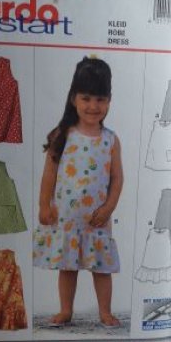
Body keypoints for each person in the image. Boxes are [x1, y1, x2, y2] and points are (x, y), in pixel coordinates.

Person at [33, 57, 124, 328]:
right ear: (74, 98)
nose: (93, 106)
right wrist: (44, 206)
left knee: (102, 269)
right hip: (66, 220)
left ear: (109, 101)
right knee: (67, 268)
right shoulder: (61, 135)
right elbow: (49, 175)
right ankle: (65, 310)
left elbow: (117, 178)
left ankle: (105, 312)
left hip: (97, 220)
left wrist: (108, 208)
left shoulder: (110, 140)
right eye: (86, 98)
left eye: (100, 99)